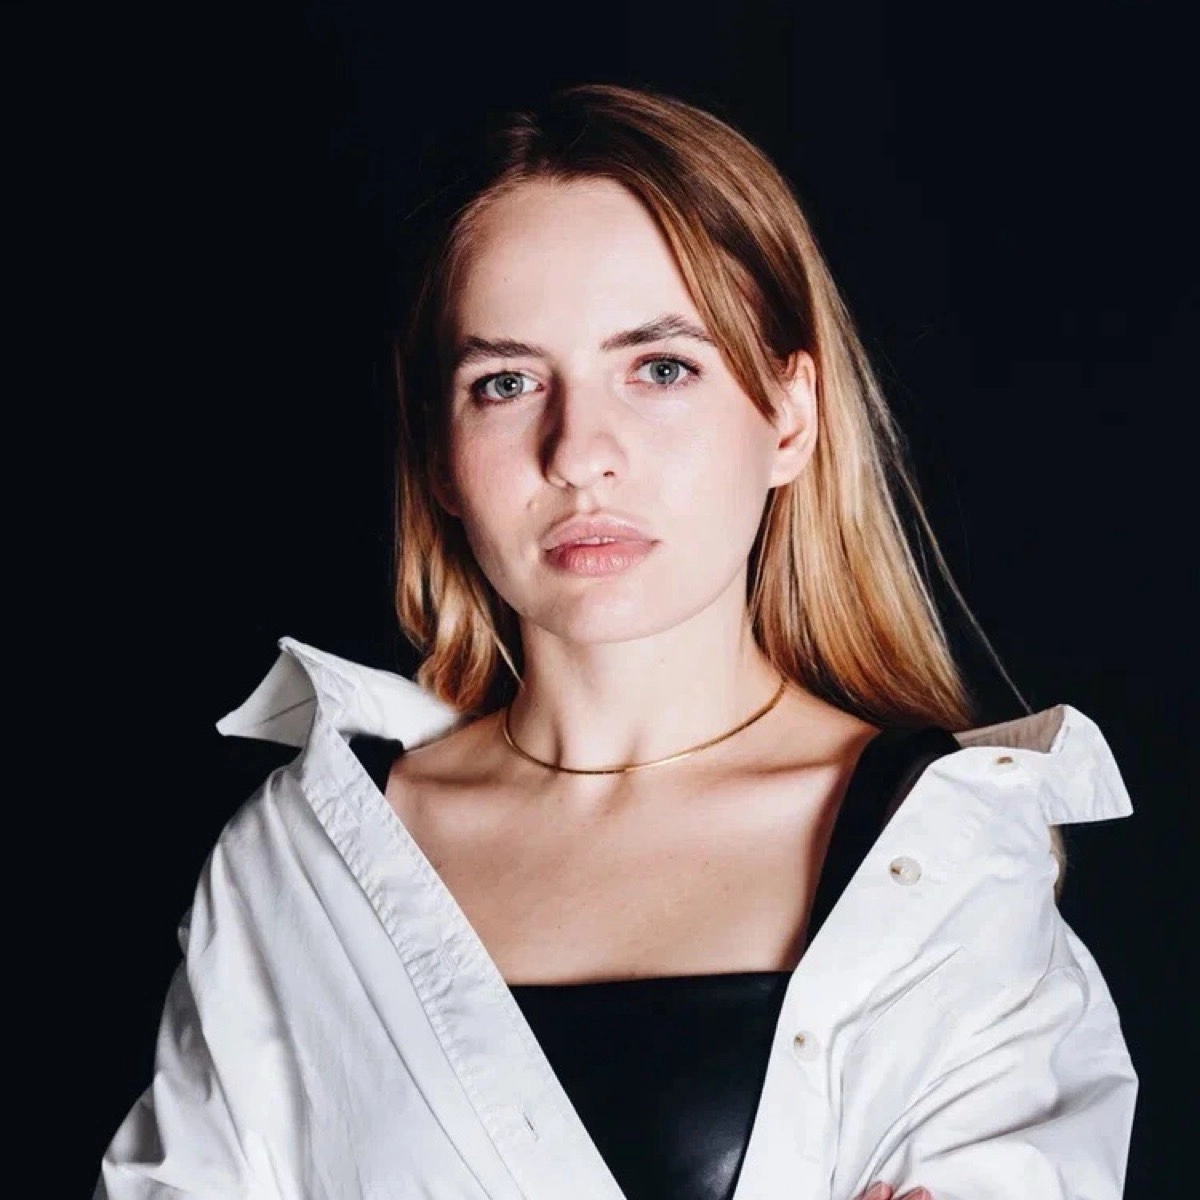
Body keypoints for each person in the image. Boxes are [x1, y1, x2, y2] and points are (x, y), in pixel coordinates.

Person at [95, 82, 1138, 1200]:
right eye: (506, 382)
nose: (578, 452)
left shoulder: (945, 851)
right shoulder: (298, 863)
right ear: (440, 453)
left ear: (790, 416)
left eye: (660, 368)